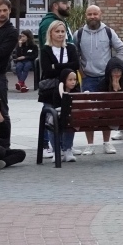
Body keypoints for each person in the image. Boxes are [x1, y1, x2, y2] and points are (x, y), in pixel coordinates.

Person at [75, 5, 123, 154]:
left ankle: (106, 142)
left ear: (100, 14)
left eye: (95, 14)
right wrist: (80, 70)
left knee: (106, 111)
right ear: (86, 15)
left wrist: (115, 67)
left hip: (105, 78)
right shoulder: (79, 34)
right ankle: (90, 144)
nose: (92, 16)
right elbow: (73, 53)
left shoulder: (109, 32)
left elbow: (122, 49)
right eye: (90, 14)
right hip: (88, 78)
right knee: (88, 112)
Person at [37, 21, 80, 161]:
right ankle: (56, 150)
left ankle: (67, 149)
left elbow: (75, 66)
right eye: (57, 31)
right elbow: (48, 70)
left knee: (69, 119)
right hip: (51, 91)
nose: (61, 34)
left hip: (69, 89)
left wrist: (57, 66)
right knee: (52, 120)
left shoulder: (71, 48)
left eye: (63, 31)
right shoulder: (45, 50)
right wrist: (64, 69)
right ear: (51, 33)